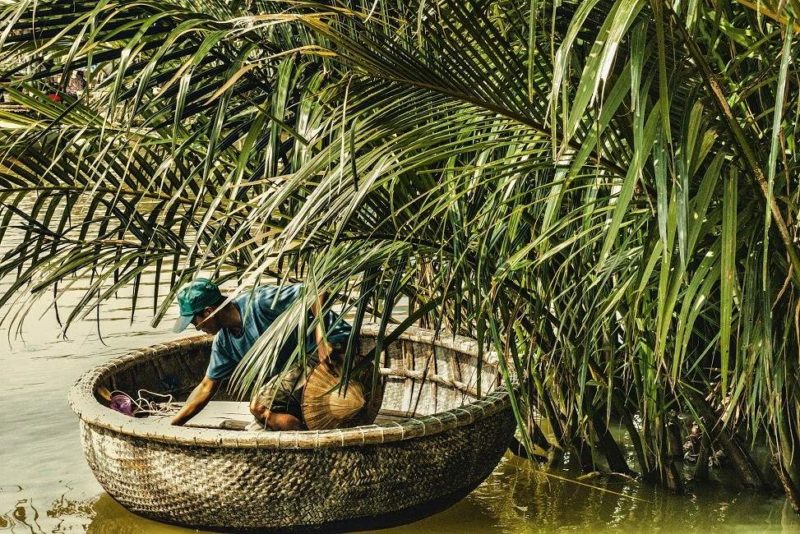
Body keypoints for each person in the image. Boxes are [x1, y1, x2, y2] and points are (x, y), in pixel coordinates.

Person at [169, 279, 351, 429]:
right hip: (300, 372)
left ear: (208, 312)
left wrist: (321, 337)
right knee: (261, 422)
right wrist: (175, 423)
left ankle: (310, 442)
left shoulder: (259, 302)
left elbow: (316, 289)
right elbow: (206, 387)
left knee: (259, 405)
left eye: (195, 322)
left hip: (335, 345)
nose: (197, 328)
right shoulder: (224, 343)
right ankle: (306, 432)